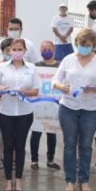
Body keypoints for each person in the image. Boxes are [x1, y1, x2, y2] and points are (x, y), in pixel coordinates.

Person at [52, 28, 96, 191]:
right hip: (68, 107)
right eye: (81, 44)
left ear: (93, 45)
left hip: (91, 109)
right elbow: (56, 79)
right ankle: (70, 180)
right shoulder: (68, 59)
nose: (84, 47)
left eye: (88, 45)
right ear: (76, 44)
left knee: (85, 145)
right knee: (69, 144)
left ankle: (84, 180)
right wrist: (61, 86)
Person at [0, 39, 41, 191]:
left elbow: (36, 91)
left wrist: (23, 92)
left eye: (20, 49)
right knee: (7, 146)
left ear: (25, 51)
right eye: (14, 49)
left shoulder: (32, 68)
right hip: (5, 112)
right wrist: (2, 89)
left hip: (24, 113)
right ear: (9, 51)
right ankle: (7, 181)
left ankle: (18, 180)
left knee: (20, 147)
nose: (17, 52)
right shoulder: (1, 67)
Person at [30, 40, 61, 171]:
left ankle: (50, 159)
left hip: (53, 103)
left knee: (51, 132)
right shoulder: (35, 66)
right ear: (40, 50)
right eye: (44, 49)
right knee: (36, 132)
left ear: (53, 49)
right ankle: (34, 160)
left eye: (49, 49)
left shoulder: (59, 66)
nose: (46, 51)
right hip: (38, 103)